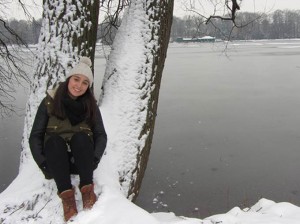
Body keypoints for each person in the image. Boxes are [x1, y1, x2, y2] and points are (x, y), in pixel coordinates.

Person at [29, 56, 107, 222]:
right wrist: (43, 163)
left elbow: (100, 134)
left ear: (88, 86)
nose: (79, 86)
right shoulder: (50, 102)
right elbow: (35, 136)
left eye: (85, 82)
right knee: (54, 142)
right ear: (69, 79)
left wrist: (95, 159)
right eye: (76, 79)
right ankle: (67, 199)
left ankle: (87, 192)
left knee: (81, 138)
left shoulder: (90, 105)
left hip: (82, 162)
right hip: (56, 163)